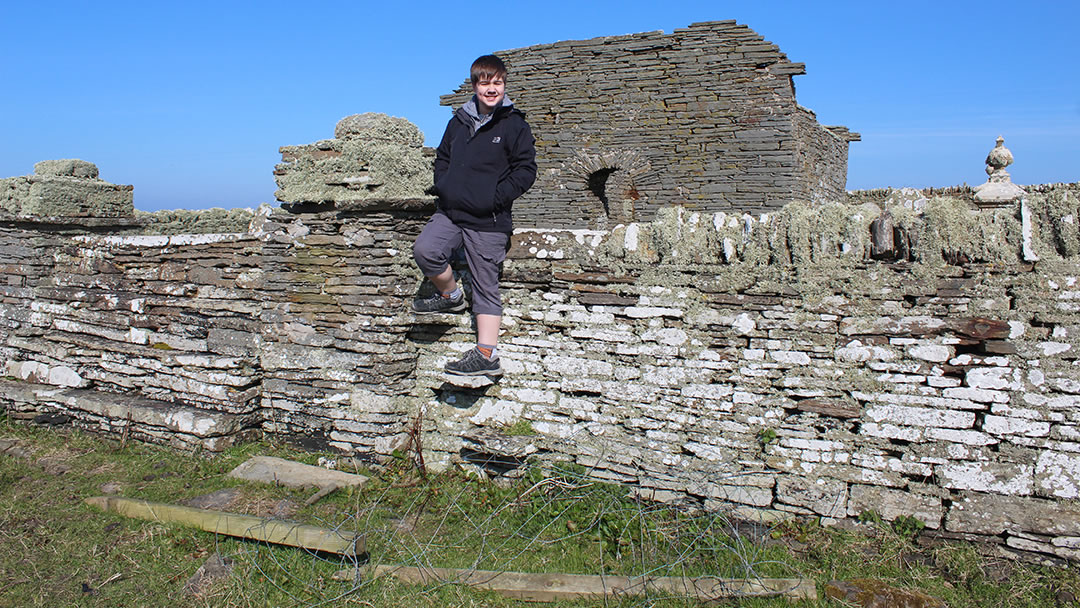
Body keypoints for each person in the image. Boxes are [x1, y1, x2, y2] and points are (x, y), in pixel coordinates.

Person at [411, 54, 537, 376]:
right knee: (426, 250)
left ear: (504, 84)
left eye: (497, 83)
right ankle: (451, 295)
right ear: (475, 85)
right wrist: (444, 185)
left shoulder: (514, 125)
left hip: (489, 220)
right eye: (485, 83)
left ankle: (486, 355)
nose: (491, 89)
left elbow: (526, 171)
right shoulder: (458, 122)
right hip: (452, 212)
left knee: (485, 285)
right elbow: (443, 157)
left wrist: (493, 198)